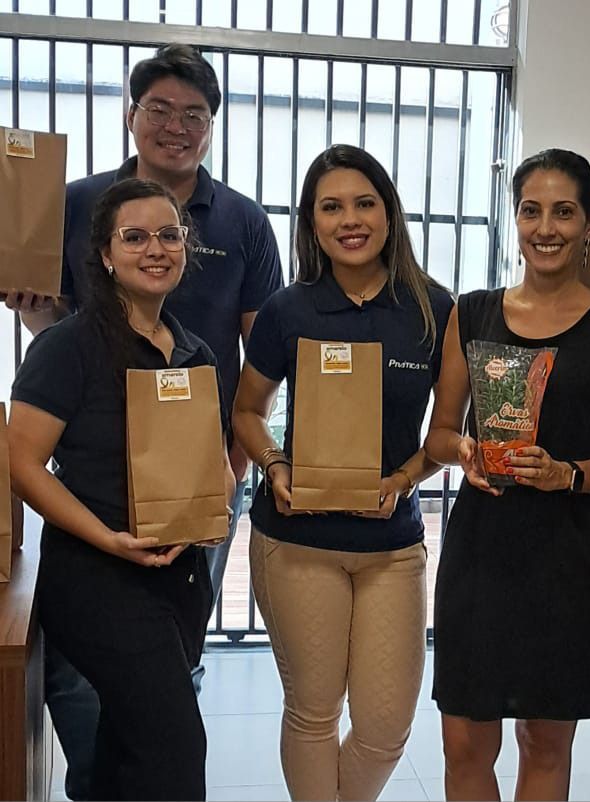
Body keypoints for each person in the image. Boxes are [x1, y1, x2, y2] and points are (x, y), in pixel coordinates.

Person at [6, 44, 284, 800]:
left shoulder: (200, 328)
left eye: (194, 115)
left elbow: (260, 364)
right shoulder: (72, 226)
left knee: (149, 708)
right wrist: (105, 537)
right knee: (147, 728)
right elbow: (26, 449)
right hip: (97, 536)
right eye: (158, 109)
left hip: (190, 522)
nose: (176, 126)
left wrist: (229, 476)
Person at [424, 148, 590, 801]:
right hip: (481, 551)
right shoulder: (473, 313)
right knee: (465, 742)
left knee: (545, 742)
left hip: (566, 554)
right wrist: (462, 452)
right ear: (515, 218)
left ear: (588, 225)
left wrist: (568, 474)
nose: (545, 228)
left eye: (563, 212)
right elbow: (439, 431)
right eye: (531, 210)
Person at [232, 144, 452, 801]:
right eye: (331, 206)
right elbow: (246, 409)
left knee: (385, 728)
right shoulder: (287, 310)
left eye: (364, 203)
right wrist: (273, 464)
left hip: (391, 547)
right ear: (312, 222)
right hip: (298, 542)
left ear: (389, 214)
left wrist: (406, 477)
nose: (348, 219)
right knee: (314, 711)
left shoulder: (433, 310)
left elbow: (446, 435)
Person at [8, 178, 233, 800]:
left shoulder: (194, 352)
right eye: (134, 237)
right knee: (176, 748)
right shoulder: (67, 347)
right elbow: (23, 465)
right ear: (105, 255)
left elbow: (211, 458)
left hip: (179, 577)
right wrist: (109, 538)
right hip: (96, 579)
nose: (154, 248)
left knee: (124, 751)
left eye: (168, 235)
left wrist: (218, 496)